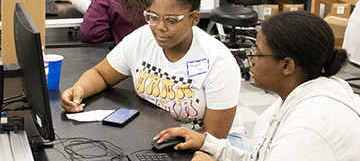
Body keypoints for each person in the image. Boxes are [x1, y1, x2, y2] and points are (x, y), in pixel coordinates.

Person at [61, 0, 250, 151]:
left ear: (194, 19)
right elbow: (100, 74)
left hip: (215, 144)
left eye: (171, 20)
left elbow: (212, 143)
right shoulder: (142, 38)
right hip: (162, 138)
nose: (160, 27)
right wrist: (79, 90)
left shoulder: (218, 60)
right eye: (153, 17)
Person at [153, 11, 360, 161]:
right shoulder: (292, 100)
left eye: (258, 52)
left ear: (287, 65)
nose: (251, 58)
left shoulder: (308, 128)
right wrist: (207, 143)